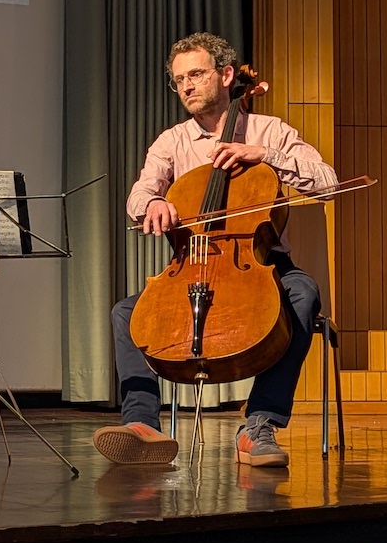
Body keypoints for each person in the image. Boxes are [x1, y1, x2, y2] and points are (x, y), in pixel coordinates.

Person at [96, 31, 338, 468]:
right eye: (178, 80)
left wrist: (263, 155)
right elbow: (139, 194)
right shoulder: (171, 142)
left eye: (195, 74)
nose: (186, 86)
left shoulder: (269, 131)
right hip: (192, 263)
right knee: (125, 313)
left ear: (226, 76)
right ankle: (142, 426)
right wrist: (151, 203)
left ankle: (259, 423)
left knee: (304, 294)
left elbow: (328, 183)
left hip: (260, 262)